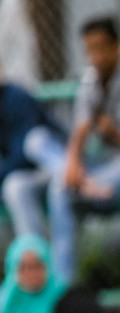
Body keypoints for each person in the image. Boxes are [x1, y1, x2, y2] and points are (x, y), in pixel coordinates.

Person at [2, 17, 120, 283]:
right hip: (82, 171)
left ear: (118, 47)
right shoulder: (90, 82)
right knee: (16, 185)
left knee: (58, 181)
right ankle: (37, 270)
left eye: (101, 48)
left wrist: (115, 135)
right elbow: (80, 132)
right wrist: (74, 164)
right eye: (90, 50)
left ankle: (63, 282)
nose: (95, 57)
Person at [0, 77, 65, 238]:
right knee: (14, 187)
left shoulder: (17, 97)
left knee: (35, 141)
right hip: (35, 178)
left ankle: (73, 178)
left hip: (58, 168)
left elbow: (23, 155)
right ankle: (35, 255)